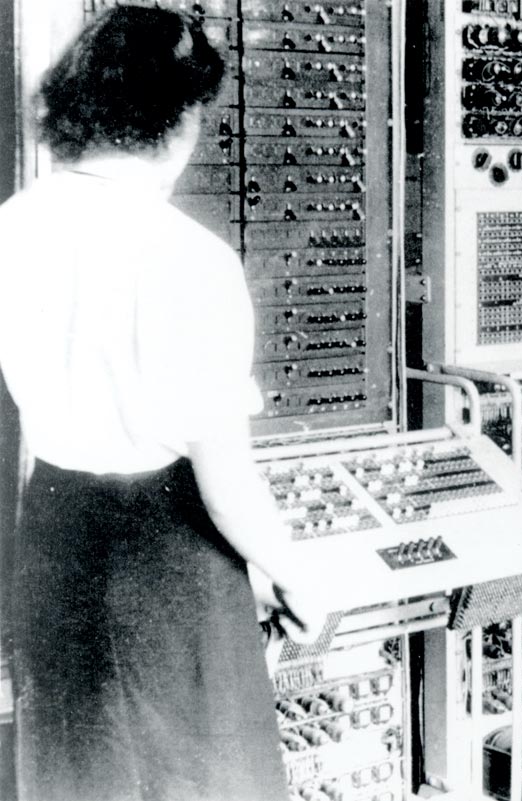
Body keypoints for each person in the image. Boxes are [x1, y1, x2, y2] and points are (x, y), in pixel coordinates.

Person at [0, 8, 332, 800]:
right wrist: (290, 574)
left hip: (53, 540)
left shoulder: (10, 228)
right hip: (170, 564)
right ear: (180, 120)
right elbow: (226, 481)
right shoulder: (189, 259)